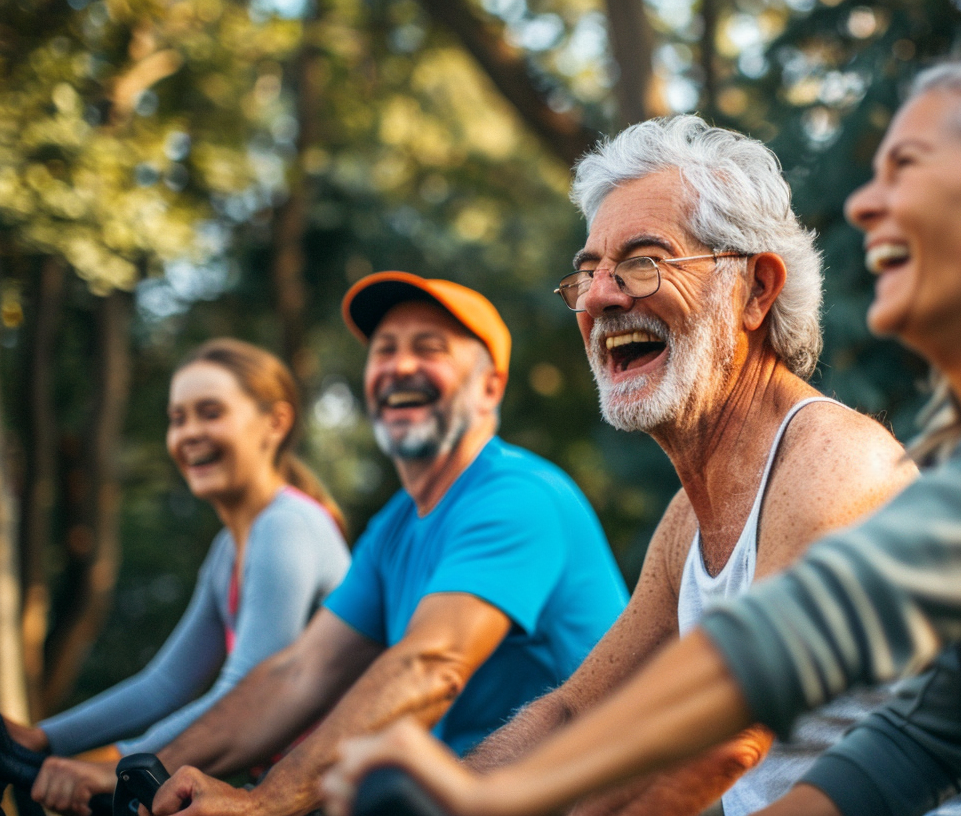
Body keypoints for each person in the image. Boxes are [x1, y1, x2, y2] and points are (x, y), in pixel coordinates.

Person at [319, 43, 961, 816]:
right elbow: (919, 740)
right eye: (587, 269)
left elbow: (784, 653)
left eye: (906, 166)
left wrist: (495, 800)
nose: (866, 203)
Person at [457, 116, 961, 816]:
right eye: (588, 272)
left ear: (756, 290)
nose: (603, 297)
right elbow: (576, 715)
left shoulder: (832, 465)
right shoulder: (685, 525)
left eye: (643, 262)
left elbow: (727, 743)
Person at [146, 273, 628, 816]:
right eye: (384, 351)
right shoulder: (393, 527)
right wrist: (146, 769)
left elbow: (430, 666)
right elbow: (299, 672)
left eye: (429, 349)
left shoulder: (520, 497)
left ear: (490, 387)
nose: (399, 367)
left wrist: (264, 803)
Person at [0, 339, 350, 816]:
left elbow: (247, 692)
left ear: (275, 423)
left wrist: (114, 765)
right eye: (177, 419)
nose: (189, 433)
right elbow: (165, 682)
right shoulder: (230, 548)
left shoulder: (287, 527)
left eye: (210, 412)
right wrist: (43, 738)